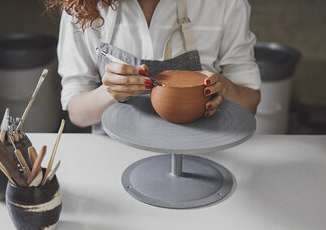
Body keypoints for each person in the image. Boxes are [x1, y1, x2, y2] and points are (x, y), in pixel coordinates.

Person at [49, 0, 261, 134]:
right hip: (115, 155)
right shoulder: (83, 7)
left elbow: (250, 103)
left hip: (203, 154)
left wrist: (222, 87)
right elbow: (77, 114)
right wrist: (110, 92)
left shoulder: (226, 4)